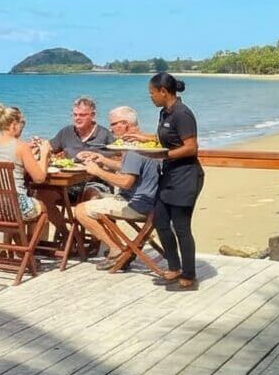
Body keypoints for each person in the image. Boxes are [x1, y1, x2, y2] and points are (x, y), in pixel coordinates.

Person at [126, 74, 204, 291]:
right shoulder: (165, 113)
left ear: (163, 91)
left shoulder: (183, 114)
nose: (150, 97)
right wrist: (144, 138)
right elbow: (167, 138)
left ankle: (189, 276)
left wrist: (164, 156)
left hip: (186, 177)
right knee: (160, 221)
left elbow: (191, 147)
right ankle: (174, 267)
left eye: (152, 93)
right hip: (169, 176)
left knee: (181, 227)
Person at [73, 107, 161, 268]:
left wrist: (98, 171)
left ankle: (116, 249)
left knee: (80, 210)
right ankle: (117, 247)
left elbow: (126, 182)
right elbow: (129, 167)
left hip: (137, 205)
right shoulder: (146, 144)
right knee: (96, 198)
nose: (111, 129)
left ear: (125, 125)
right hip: (154, 203)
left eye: (113, 124)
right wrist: (103, 160)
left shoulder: (133, 149)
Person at [0, 103, 52, 221]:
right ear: (14, 125)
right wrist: (44, 154)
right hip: (13, 206)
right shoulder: (21, 146)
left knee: (24, 211)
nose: (22, 127)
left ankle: (20, 238)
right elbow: (39, 178)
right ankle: (31, 240)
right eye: (21, 124)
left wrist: (26, 158)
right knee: (43, 207)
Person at [49, 96, 116, 159]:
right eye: (75, 115)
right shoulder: (66, 132)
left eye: (82, 115)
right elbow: (49, 148)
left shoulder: (104, 134)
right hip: (69, 170)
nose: (77, 118)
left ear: (92, 115)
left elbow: (117, 156)